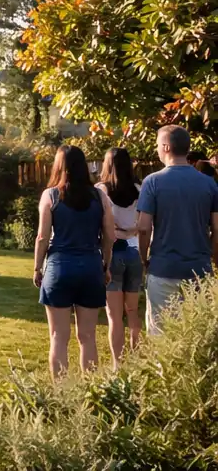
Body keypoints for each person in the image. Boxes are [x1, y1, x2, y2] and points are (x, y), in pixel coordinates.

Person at [33, 145, 115, 378]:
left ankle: (61, 393)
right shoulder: (100, 196)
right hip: (91, 267)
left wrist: (37, 267)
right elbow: (110, 234)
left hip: (59, 267)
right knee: (87, 337)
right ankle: (89, 392)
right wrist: (106, 264)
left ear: (59, 166)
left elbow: (42, 236)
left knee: (58, 336)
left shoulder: (50, 195)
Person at [137, 125, 218, 335]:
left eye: (157, 145)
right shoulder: (209, 184)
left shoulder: (152, 182)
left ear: (165, 147)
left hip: (164, 267)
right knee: (195, 336)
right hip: (199, 269)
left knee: (160, 336)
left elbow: (144, 228)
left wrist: (143, 257)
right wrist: (213, 259)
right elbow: (217, 228)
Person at [96, 147, 142, 367]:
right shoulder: (139, 189)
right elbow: (143, 225)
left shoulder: (100, 190)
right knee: (132, 312)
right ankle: (136, 362)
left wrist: (116, 231)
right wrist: (129, 231)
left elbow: (101, 226)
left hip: (112, 253)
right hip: (134, 252)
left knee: (114, 317)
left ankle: (118, 365)